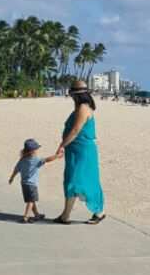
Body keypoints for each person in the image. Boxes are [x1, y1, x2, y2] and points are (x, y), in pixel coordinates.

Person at [54, 79, 105, 225]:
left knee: (84, 181)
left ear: (76, 95)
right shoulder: (80, 107)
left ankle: (99, 212)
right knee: (71, 181)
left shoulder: (83, 108)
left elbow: (75, 130)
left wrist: (61, 145)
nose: (71, 97)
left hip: (83, 151)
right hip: (75, 151)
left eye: (72, 94)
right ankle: (65, 215)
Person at [9, 138, 57, 223]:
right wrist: (57, 156)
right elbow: (47, 159)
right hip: (31, 185)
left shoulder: (22, 160)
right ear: (32, 151)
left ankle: (37, 214)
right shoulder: (35, 160)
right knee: (31, 201)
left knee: (32, 200)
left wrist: (12, 177)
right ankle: (26, 217)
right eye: (36, 149)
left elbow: (16, 169)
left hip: (23, 184)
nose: (37, 150)